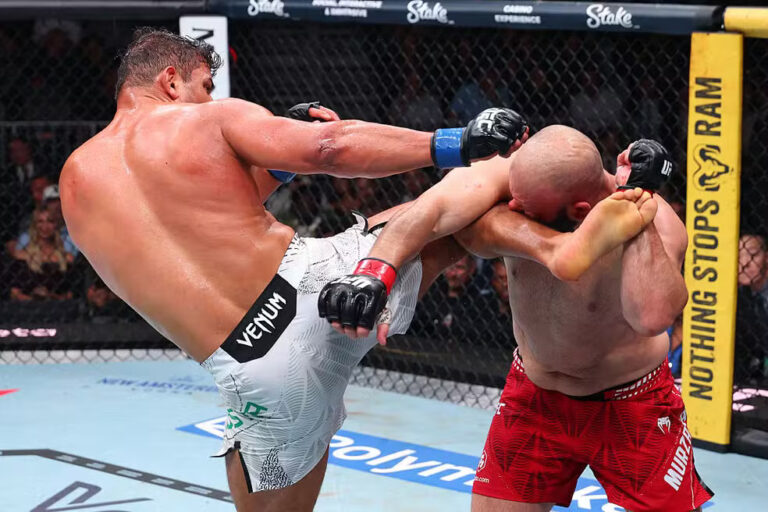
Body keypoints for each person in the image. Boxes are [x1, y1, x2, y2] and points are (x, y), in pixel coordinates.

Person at [59, 27, 528, 512]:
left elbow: (204, 221)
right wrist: (455, 142)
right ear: (171, 80)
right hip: (316, 292)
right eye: (205, 86)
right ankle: (568, 231)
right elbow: (330, 147)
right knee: (486, 181)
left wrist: (279, 165)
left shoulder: (76, 177)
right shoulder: (208, 119)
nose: (209, 99)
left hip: (248, 367)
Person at [319, 125, 713, 511]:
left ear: (579, 210)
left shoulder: (661, 221)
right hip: (534, 394)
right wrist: (376, 270)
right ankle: (559, 252)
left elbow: (652, 317)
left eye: (525, 207)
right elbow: (434, 209)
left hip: (631, 403)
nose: (513, 205)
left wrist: (637, 204)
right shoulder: (516, 176)